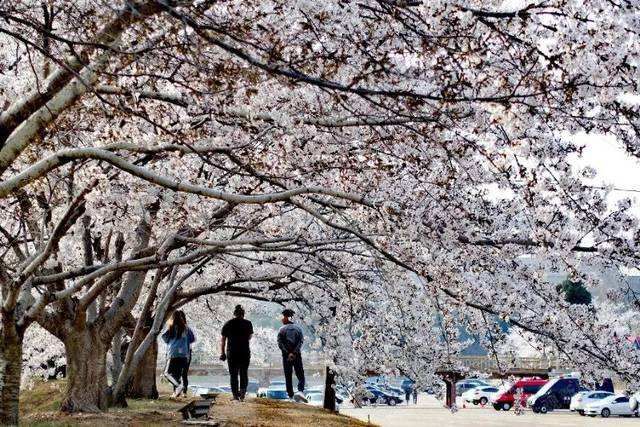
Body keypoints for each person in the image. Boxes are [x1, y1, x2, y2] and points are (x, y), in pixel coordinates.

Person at [220, 304, 253, 401]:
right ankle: (242, 394)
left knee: (233, 374)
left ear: (234, 313)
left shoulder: (228, 323)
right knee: (244, 373)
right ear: (243, 314)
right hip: (244, 352)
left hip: (232, 352)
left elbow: (223, 340)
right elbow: (250, 337)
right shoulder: (248, 323)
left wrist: (222, 353)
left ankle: (235, 396)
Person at [161, 310, 196, 398]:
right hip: (184, 354)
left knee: (167, 373)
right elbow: (192, 339)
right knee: (179, 374)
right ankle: (179, 391)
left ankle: (178, 387)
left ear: (172, 318)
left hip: (173, 353)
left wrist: (172, 341)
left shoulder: (170, 327)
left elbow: (164, 338)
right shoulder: (186, 328)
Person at [277, 308, 307, 402]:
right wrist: (294, 352)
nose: (282, 319)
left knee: (288, 375)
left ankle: (290, 395)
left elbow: (280, 343)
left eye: (283, 317)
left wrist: (288, 353)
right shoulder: (299, 329)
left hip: (286, 356)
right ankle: (300, 391)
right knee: (300, 374)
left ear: (287, 317)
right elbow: (301, 342)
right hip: (297, 355)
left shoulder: (282, 330)